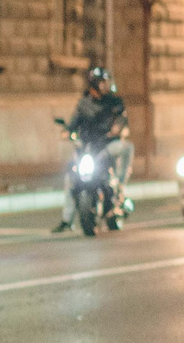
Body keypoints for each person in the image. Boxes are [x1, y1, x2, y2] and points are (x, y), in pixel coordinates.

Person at [53, 65, 133, 232]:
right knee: (71, 178)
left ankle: (120, 182)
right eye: (102, 82)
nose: (106, 85)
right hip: (87, 148)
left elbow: (121, 119)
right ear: (95, 84)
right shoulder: (84, 104)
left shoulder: (114, 102)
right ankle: (67, 219)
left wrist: (117, 128)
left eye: (106, 82)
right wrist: (68, 131)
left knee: (126, 147)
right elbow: (74, 123)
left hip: (107, 145)